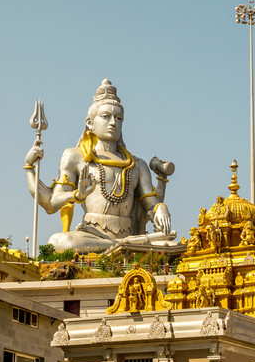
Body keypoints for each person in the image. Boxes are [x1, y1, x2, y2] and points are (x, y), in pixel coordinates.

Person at [24, 79, 176, 252]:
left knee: (173, 243)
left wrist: (160, 208)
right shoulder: (76, 157)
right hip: (92, 234)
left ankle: (124, 244)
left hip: (130, 234)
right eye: (106, 116)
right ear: (90, 122)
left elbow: (150, 203)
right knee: (60, 241)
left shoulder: (137, 165)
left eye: (119, 118)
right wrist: (30, 168)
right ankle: (119, 247)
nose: (113, 123)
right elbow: (51, 204)